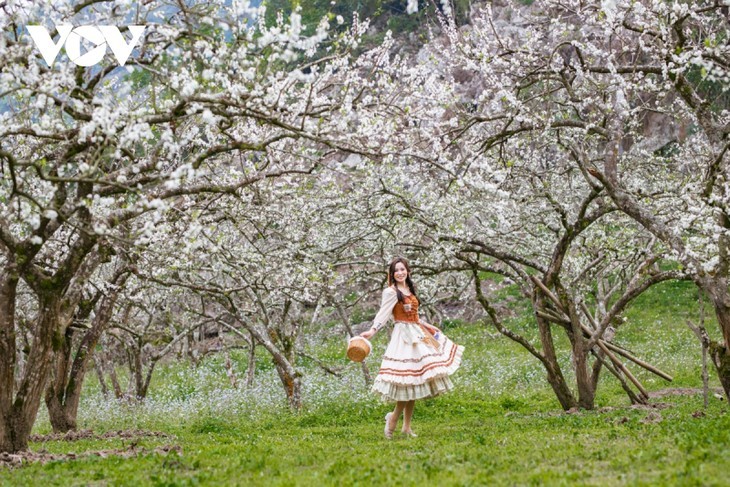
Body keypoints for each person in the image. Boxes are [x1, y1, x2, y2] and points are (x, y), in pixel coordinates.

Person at [360, 257, 464, 439]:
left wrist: (429, 326)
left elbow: (414, 316)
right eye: (396, 270)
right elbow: (383, 314)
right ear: (392, 274)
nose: (400, 273)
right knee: (407, 380)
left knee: (415, 379)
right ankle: (392, 419)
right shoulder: (391, 292)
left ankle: (406, 427)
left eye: (402, 269)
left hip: (417, 332)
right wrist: (372, 330)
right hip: (403, 336)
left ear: (407, 270)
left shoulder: (409, 289)